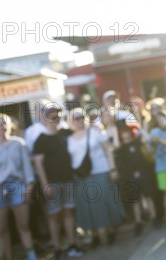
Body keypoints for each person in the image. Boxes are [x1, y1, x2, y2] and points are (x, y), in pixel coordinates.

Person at [66, 108, 124, 247]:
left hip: (101, 171)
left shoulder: (96, 132)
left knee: (105, 201)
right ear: (70, 121)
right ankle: (95, 234)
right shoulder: (68, 139)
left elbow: (108, 150)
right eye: (75, 118)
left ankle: (110, 230)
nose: (79, 120)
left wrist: (112, 169)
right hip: (81, 176)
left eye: (81, 117)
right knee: (88, 205)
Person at [32, 104, 84, 259]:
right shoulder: (40, 140)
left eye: (58, 115)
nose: (56, 118)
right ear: (45, 118)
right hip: (52, 183)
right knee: (53, 216)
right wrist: (45, 184)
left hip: (68, 179)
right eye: (52, 115)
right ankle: (57, 248)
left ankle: (72, 245)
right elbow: (38, 164)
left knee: (68, 213)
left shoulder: (66, 133)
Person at [0, 114, 37, 260]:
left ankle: (31, 255)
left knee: (23, 225)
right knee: (2, 229)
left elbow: (27, 168)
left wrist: (29, 186)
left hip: (18, 186)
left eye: (4, 123)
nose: (1, 127)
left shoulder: (18, 143)